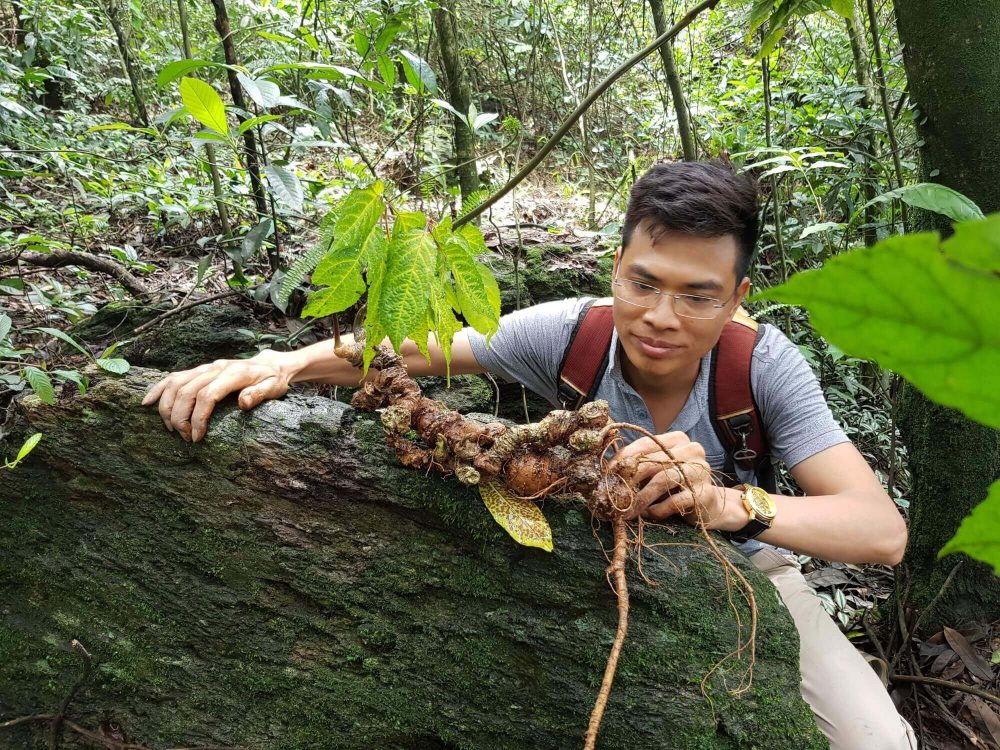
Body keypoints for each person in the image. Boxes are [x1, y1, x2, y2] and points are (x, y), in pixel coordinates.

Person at [144, 161, 914, 749]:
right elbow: (411, 355)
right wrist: (280, 365)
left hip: (738, 562)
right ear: (616, 267)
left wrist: (728, 504)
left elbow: (880, 531)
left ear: (737, 295)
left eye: (698, 294)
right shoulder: (572, 333)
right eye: (643, 282)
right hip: (583, 550)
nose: (660, 316)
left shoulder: (763, 366)